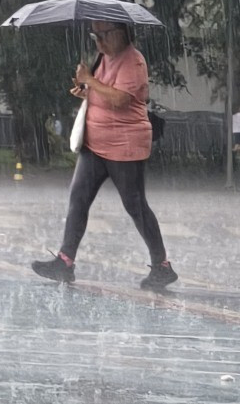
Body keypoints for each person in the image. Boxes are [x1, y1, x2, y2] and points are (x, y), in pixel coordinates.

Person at [31, 20, 178, 291]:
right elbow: (102, 92)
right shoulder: (102, 57)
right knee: (78, 197)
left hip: (124, 147)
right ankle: (65, 261)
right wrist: (85, 90)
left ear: (121, 33)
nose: (98, 42)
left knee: (135, 206)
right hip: (94, 144)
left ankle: (162, 266)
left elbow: (121, 99)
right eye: (94, 36)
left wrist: (90, 80)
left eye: (104, 35)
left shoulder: (133, 61)